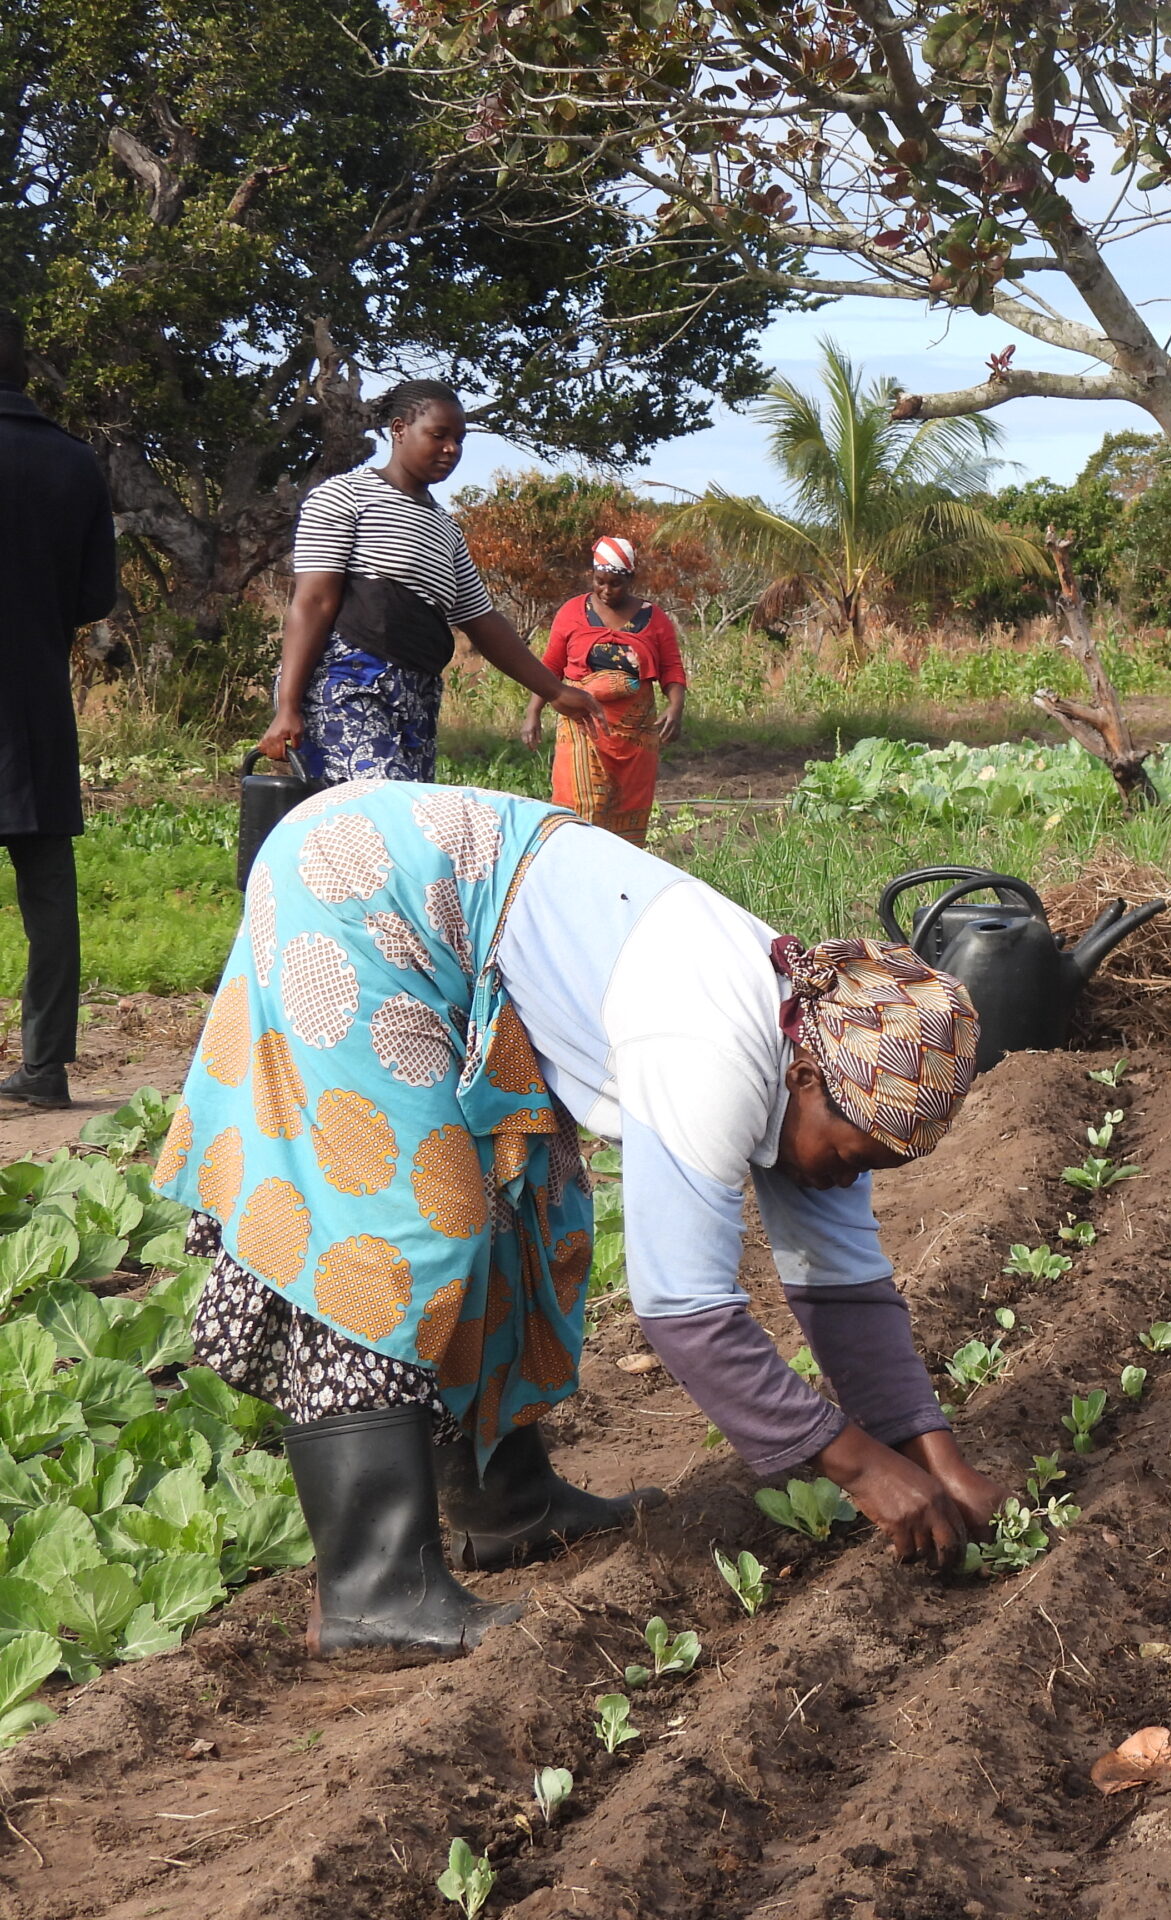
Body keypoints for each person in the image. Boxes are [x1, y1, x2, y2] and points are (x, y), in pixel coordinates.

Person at [153, 782, 998, 1652]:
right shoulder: (710, 1050)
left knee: (526, 1208)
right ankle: (372, 1589)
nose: (846, 1179)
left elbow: (846, 1284)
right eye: (852, 1157)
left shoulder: (827, 1050)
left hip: (463, 908)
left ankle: (506, 1502)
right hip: (360, 891)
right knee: (399, 1233)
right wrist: (860, 1467)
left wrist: (935, 1455)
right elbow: (686, 1312)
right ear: (805, 1079)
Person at [257, 381, 601, 783]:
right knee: (383, 805)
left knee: (409, 814)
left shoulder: (446, 529)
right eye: (438, 435)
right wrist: (288, 706)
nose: (451, 449)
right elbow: (313, 602)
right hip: (348, 685)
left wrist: (555, 691)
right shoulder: (345, 496)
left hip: (416, 696)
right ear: (399, 430)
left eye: (459, 440)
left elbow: (482, 621)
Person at [0, 312, 117, 1111]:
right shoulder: (75, 461)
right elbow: (94, 596)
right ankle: (44, 1069)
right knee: (48, 897)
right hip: (36, 707)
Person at [521, 536, 688, 845]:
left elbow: (672, 668)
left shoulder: (655, 619)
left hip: (634, 737)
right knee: (577, 814)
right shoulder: (572, 612)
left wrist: (675, 707)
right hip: (581, 729)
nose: (606, 590)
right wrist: (533, 712)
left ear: (631, 579)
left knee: (628, 809)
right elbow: (551, 667)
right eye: (600, 582)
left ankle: (619, 873)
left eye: (616, 584)